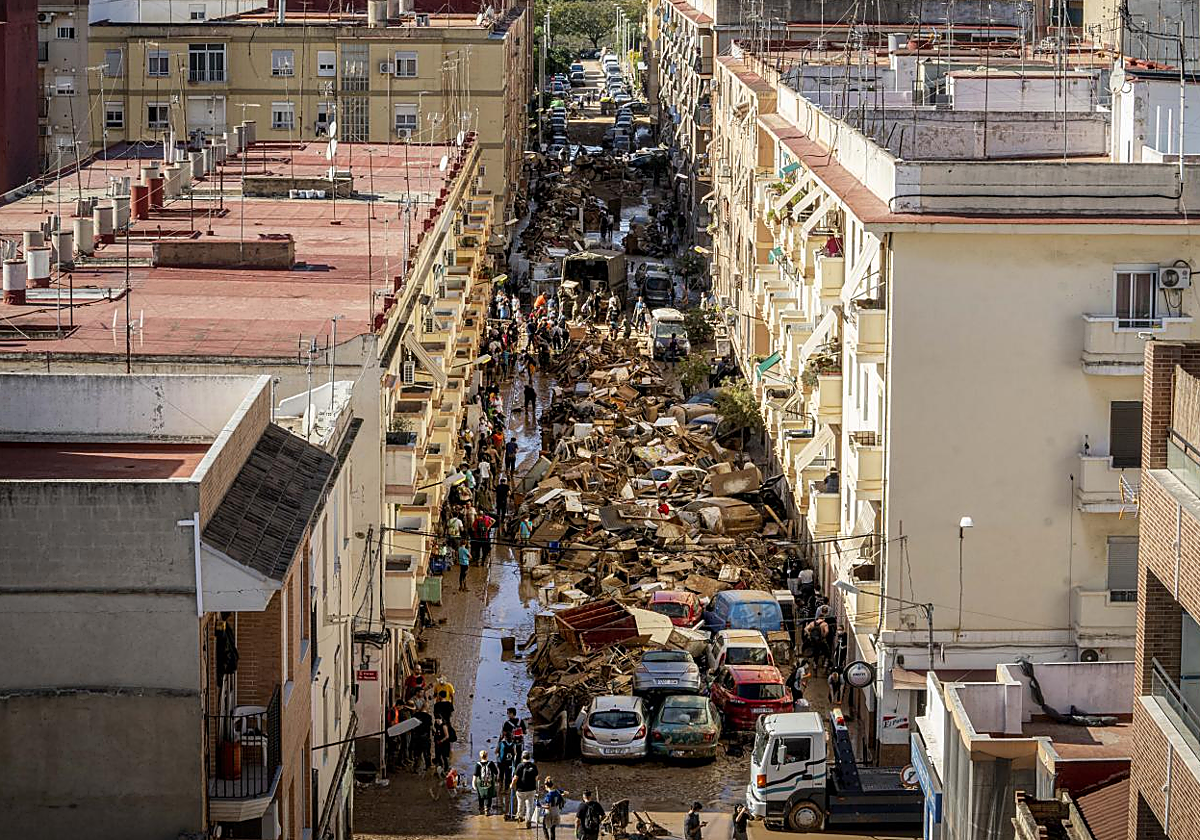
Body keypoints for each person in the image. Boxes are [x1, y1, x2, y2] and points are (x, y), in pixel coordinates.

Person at [511, 751, 540, 827]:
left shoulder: (519, 766)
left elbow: (515, 778)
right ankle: (528, 821)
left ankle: (520, 817)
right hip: (531, 789)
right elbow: (537, 778)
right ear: (529, 757)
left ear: (522, 757)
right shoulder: (533, 766)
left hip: (521, 790)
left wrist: (512, 785)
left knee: (520, 804)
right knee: (530, 806)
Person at [473, 750, 501, 815]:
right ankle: (487, 809)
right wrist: (497, 779)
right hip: (489, 782)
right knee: (489, 796)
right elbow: (496, 772)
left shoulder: (478, 764)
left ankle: (481, 808)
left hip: (480, 783)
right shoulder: (491, 763)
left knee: (481, 796)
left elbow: (475, 775)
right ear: (487, 755)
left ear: (480, 756)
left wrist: (473, 784)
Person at [497, 730, 518, 808]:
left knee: (501, 775)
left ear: (505, 737)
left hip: (501, 762)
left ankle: (500, 789)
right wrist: (514, 762)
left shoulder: (501, 743)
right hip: (509, 763)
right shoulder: (513, 745)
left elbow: (496, 752)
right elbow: (515, 754)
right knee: (508, 776)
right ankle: (506, 790)